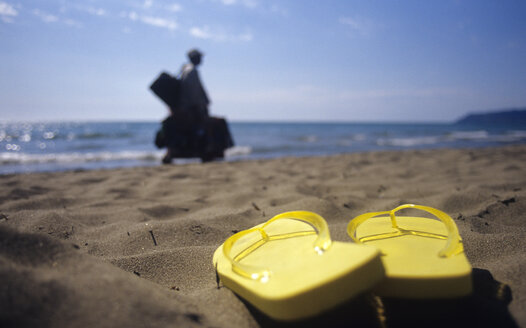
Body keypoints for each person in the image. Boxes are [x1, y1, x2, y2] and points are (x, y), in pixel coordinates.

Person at [162, 49, 211, 163]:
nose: (201, 60)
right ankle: (204, 150)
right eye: (199, 57)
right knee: (202, 126)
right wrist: (200, 105)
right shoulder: (192, 71)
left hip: (184, 106)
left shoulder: (185, 69)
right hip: (189, 107)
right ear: (196, 58)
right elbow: (194, 92)